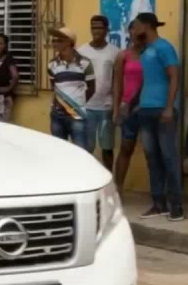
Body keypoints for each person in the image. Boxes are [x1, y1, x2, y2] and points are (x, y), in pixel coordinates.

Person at [130, 13, 184, 221]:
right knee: (152, 159)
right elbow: (147, 80)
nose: (133, 30)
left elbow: (174, 77)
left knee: (168, 157)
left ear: (146, 26)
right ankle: (158, 203)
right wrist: (134, 103)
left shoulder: (164, 48)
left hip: (162, 110)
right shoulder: (145, 50)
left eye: (136, 26)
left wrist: (169, 107)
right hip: (146, 110)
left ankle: (176, 206)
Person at [80, 15, 121, 169]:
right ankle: (89, 179)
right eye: (93, 27)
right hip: (86, 107)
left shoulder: (115, 52)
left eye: (100, 28)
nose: (96, 31)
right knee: (87, 149)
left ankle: (109, 178)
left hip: (106, 107)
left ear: (106, 30)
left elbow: (117, 81)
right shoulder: (81, 51)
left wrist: (116, 109)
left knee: (107, 148)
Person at [47, 27, 95, 148]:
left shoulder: (85, 63)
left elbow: (91, 88)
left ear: (69, 42)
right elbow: (54, 87)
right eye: (54, 40)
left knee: (80, 151)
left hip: (77, 116)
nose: (55, 43)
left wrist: (77, 104)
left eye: (59, 40)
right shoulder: (52, 64)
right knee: (58, 151)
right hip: (57, 116)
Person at [111, 40, 145, 192]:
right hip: (128, 107)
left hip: (147, 105)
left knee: (151, 150)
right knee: (126, 148)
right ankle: (118, 189)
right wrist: (116, 108)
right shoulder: (123, 56)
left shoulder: (150, 54)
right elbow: (117, 83)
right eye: (132, 31)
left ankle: (158, 194)